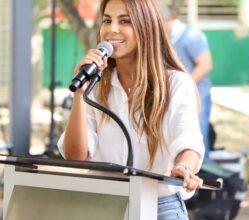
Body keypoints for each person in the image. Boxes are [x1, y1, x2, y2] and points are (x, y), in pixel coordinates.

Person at [58, 0, 205, 219]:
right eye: (107, 20)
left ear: (147, 28)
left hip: (159, 208)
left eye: (124, 21)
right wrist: (81, 93)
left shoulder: (176, 83)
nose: (112, 29)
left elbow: (188, 141)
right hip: (103, 206)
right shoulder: (96, 86)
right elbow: (75, 156)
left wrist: (184, 167)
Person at [160, 6, 213, 159]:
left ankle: (201, 175)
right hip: (174, 96)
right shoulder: (167, 37)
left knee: (197, 138)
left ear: (169, 19)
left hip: (198, 95)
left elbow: (205, 64)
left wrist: (184, 86)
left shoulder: (191, 35)